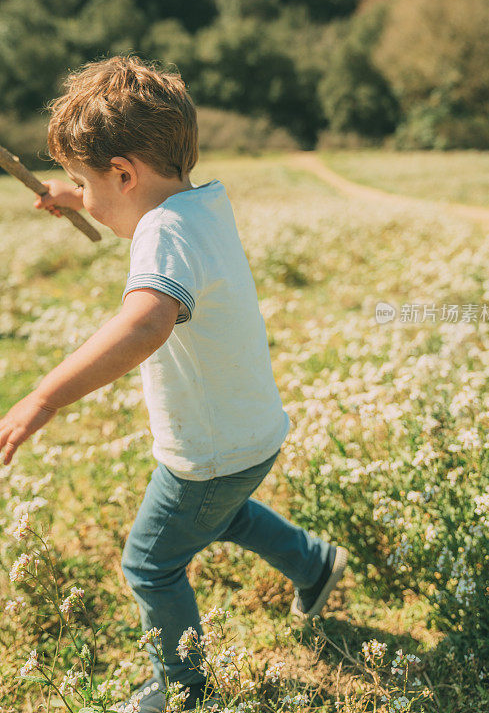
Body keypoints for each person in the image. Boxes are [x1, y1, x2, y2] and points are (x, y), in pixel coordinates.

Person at [0, 54, 348, 713]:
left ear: (124, 174)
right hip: (251, 436)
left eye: (84, 180)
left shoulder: (162, 235)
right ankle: (313, 563)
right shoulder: (199, 205)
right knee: (225, 515)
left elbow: (145, 323)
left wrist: (43, 396)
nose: (82, 193)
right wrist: (80, 197)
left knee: (151, 564)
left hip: (209, 452)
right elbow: (137, 204)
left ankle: (180, 685)